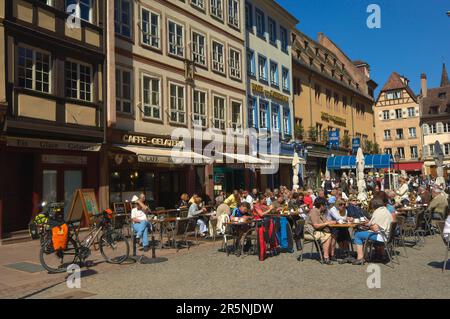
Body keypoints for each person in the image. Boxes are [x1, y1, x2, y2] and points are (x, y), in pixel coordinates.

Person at [352, 197, 393, 265]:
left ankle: (360, 258)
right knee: (362, 234)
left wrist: (367, 224)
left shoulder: (378, 212)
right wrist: (369, 223)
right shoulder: (386, 210)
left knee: (357, 234)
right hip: (388, 236)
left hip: (381, 237)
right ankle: (367, 255)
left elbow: (375, 228)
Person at [304, 198, 336, 265]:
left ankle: (330, 254)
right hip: (310, 232)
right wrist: (327, 223)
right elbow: (316, 226)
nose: (326, 206)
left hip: (317, 231)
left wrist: (333, 222)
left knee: (333, 234)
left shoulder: (321, 212)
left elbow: (325, 221)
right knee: (328, 235)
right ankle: (326, 257)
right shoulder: (314, 211)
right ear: (321, 205)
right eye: (325, 205)